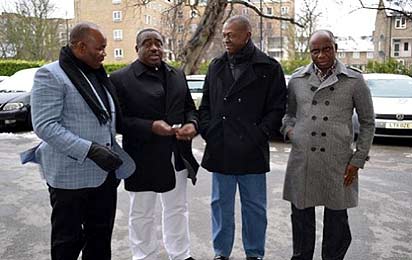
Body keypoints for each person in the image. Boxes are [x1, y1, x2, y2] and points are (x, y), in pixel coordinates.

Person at [20, 22, 135, 260]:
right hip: (69, 178)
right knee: (67, 243)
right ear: (81, 46)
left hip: (104, 176)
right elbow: (45, 125)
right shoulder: (50, 75)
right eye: (100, 48)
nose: (104, 53)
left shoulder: (97, 74)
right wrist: (90, 150)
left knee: (100, 241)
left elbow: (107, 120)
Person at [198, 15, 287, 260]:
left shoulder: (269, 67)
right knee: (220, 206)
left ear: (247, 35)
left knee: (255, 208)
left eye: (231, 35)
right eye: (224, 34)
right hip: (221, 147)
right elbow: (205, 105)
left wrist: (260, 134)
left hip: (253, 149)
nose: (225, 39)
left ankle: (254, 254)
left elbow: (278, 108)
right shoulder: (216, 65)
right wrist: (209, 131)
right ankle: (221, 253)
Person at [281, 30, 375, 260]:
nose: (321, 54)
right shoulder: (297, 80)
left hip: (338, 160)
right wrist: (291, 132)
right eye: (316, 50)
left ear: (335, 48)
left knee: (337, 221)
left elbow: (367, 122)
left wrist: (357, 160)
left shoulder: (354, 80)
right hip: (303, 158)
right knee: (301, 219)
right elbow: (288, 114)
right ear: (309, 51)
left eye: (326, 48)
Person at [109, 28, 199, 260]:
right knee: (141, 212)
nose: (154, 47)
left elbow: (190, 108)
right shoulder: (120, 79)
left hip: (176, 154)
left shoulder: (177, 74)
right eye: (147, 43)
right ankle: (144, 255)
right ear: (136, 48)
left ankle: (180, 254)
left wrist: (192, 125)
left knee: (177, 208)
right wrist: (150, 126)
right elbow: (118, 121)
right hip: (142, 157)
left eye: (158, 42)